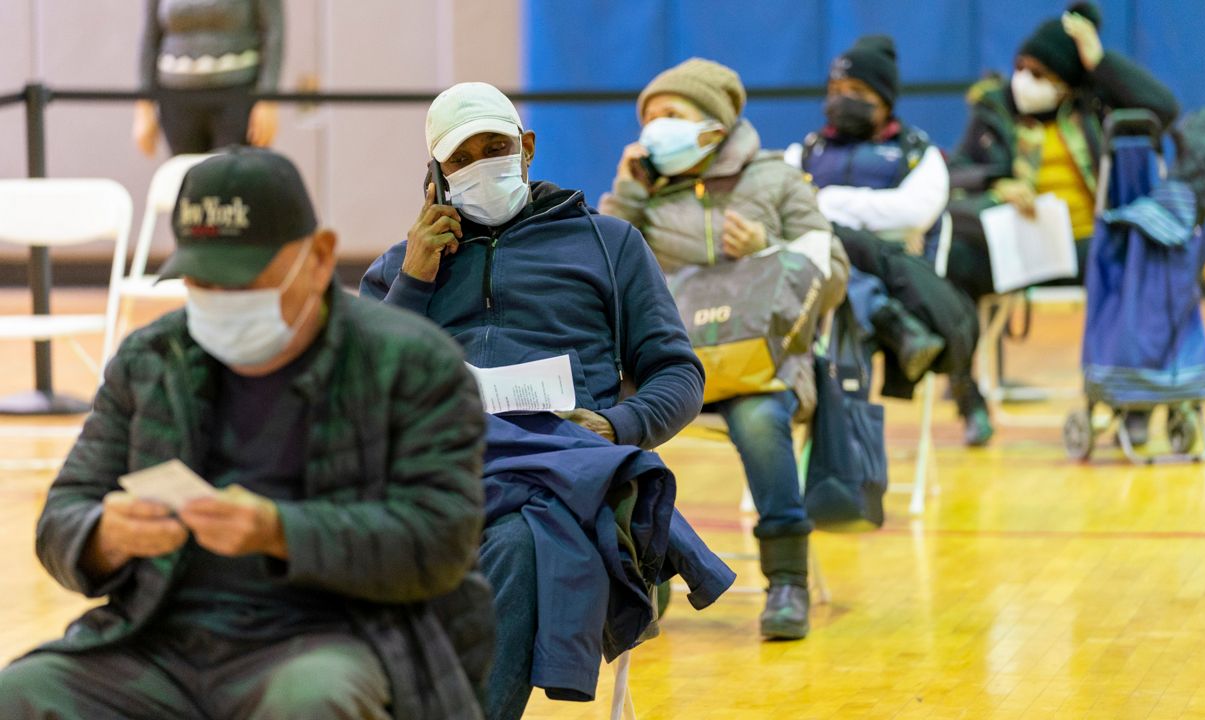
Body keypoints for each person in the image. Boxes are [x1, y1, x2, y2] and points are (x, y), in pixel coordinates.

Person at [0, 148, 493, 720]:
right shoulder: (152, 357)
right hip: (162, 635)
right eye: (203, 281)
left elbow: (439, 543)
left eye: (245, 281)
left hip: (339, 633)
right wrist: (105, 536)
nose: (223, 301)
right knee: (24, 693)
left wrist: (278, 531)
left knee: (309, 702)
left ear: (319, 257)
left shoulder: (413, 363)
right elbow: (64, 513)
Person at [361, 82, 732, 720]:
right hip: (434, 471)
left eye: (496, 147)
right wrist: (414, 282)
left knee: (519, 542)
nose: (481, 164)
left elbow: (677, 374)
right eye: (461, 158)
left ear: (527, 149)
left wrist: (617, 426)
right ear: (436, 176)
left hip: (561, 469)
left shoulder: (610, 245)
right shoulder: (401, 266)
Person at [600, 58, 851, 640]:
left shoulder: (779, 180)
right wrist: (627, 197)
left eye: (671, 115)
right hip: (668, 368)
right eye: (649, 119)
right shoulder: (645, 197)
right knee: (614, 422)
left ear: (713, 122)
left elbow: (832, 272)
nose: (655, 128)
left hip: (761, 364)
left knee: (762, 421)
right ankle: (646, 574)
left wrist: (771, 247)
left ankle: (786, 579)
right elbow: (601, 277)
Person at [946, 2, 1178, 443]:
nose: (1025, 81)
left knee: (1133, 262)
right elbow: (956, 172)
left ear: (1067, 85)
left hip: (1087, 244)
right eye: (1021, 68)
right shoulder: (993, 110)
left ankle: (1131, 400)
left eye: (1041, 75)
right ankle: (967, 397)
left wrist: (1100, 62)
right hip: (1016, 247)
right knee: (951, 262)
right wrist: (997, 184)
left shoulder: (1093, 109)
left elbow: (1162, 109)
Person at [787, 35, 993, 446]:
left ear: (885, 99)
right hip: (815, 291)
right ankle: (884, 320)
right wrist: (865, 213)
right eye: (836, 91)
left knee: (842, 284)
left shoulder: (918, 153)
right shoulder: (806, 151)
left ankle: (844, 458)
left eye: (857, 92)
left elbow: (912, 214)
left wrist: (827, 202)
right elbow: (785, 213)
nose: (843, 100)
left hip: (901, 284)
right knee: (833, 278)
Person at [133, 0, 283, 156]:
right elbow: (149, 38)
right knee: (186, 174)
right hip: (176, 98)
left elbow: (274, 32)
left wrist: (268, 99)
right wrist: (144, 106)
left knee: (232, 174)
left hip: (237, 94)